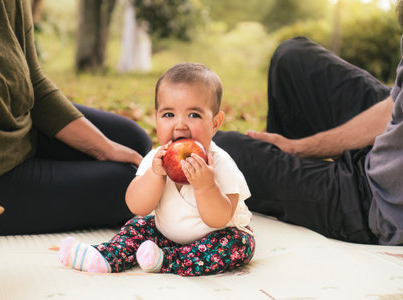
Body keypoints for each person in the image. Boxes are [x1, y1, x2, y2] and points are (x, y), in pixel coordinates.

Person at [213, 0, 403, 246]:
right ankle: (289, 183)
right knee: (292, 57)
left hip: (380, 203)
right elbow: (395, 106)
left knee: (222, 152)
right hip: (393, 148)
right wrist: (298, 147)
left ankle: (296, 190)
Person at [0, 0, 152, 235]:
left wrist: (104, 148)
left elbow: (34, 82)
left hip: (19, 128)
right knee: (129, 187)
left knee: (134, 142)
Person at [58, 63, 255, 276]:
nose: (180, 125)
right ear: (156, 118)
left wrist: (206, 186)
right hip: (166, 234)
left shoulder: (220, 164)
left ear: (215, 123)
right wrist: (154, 175)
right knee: (138, 226)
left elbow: (219, 219)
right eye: (169, 114)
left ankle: (166, 260)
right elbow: (137, 205)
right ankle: (104, 256)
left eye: (194, 115)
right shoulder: (157, 159)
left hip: (216, 235)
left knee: (238, 245)